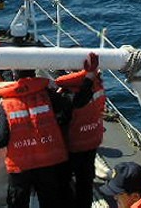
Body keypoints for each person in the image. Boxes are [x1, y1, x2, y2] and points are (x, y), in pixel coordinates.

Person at [0, 69, 73, 208]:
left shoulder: (6, 103)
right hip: (49, 160)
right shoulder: (48, 95)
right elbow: (66, 112)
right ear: (34, 74)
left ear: (14, 76)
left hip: (21, 165)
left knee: (17, 202)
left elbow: (1, 138)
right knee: (51, 200)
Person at [56, 52, 105, 208]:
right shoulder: (98, 83)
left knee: (64, 180)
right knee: (86, 180)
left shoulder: (69, 94)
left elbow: (63, 117)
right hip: (93, 139)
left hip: (74, 145)